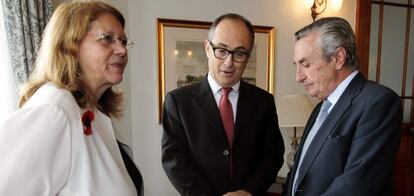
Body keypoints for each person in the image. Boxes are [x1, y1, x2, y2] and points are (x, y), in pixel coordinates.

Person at [0, 1, 143, 195]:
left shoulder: (93, 111)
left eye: (123, 41)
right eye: (107, 38)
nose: (122, 50)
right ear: (70, 45)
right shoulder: (54, 109)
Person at [161, 13, 285, 196]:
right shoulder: (178, 101)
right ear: (207, 48)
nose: (229, 62)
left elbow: (273, 155)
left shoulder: (263, 101)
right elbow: (174, 161)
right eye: (221, 50)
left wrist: (248, 191)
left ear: (248, 56)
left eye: (239, 53)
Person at [283, 17, 402, 196]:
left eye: (306, 64)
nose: (298, 77)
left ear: (338, 58)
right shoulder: (319, 108)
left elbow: (357, 186)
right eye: (297, 65)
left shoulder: (378, 102)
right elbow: (300, 172)